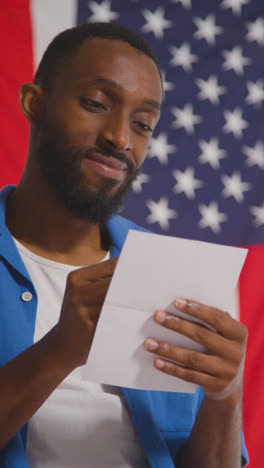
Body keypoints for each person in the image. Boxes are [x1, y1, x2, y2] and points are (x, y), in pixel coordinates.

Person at [0, 22, 248, 468]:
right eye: (96, 104)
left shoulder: (168, 270)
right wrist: (58, 352)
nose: (119, 138)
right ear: (34, 104)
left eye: (143, 124)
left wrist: (226, 397)